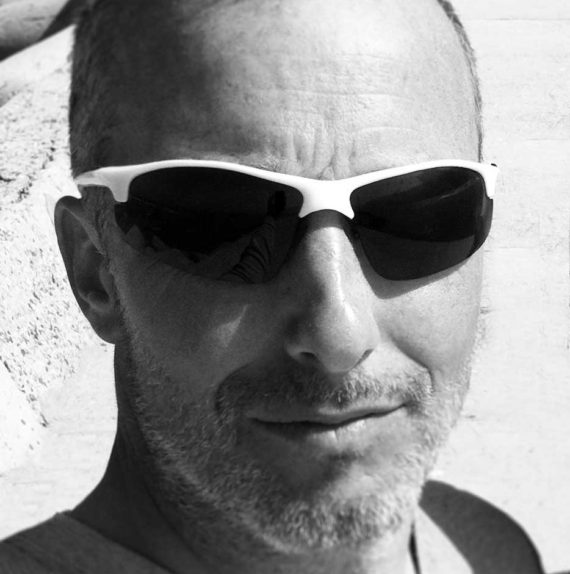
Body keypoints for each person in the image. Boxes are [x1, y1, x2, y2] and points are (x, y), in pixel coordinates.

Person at [0, 0, 546, 572]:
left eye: (420, 212)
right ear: (94, 271)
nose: (339, 335)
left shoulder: (480, 547)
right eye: (227, 225)